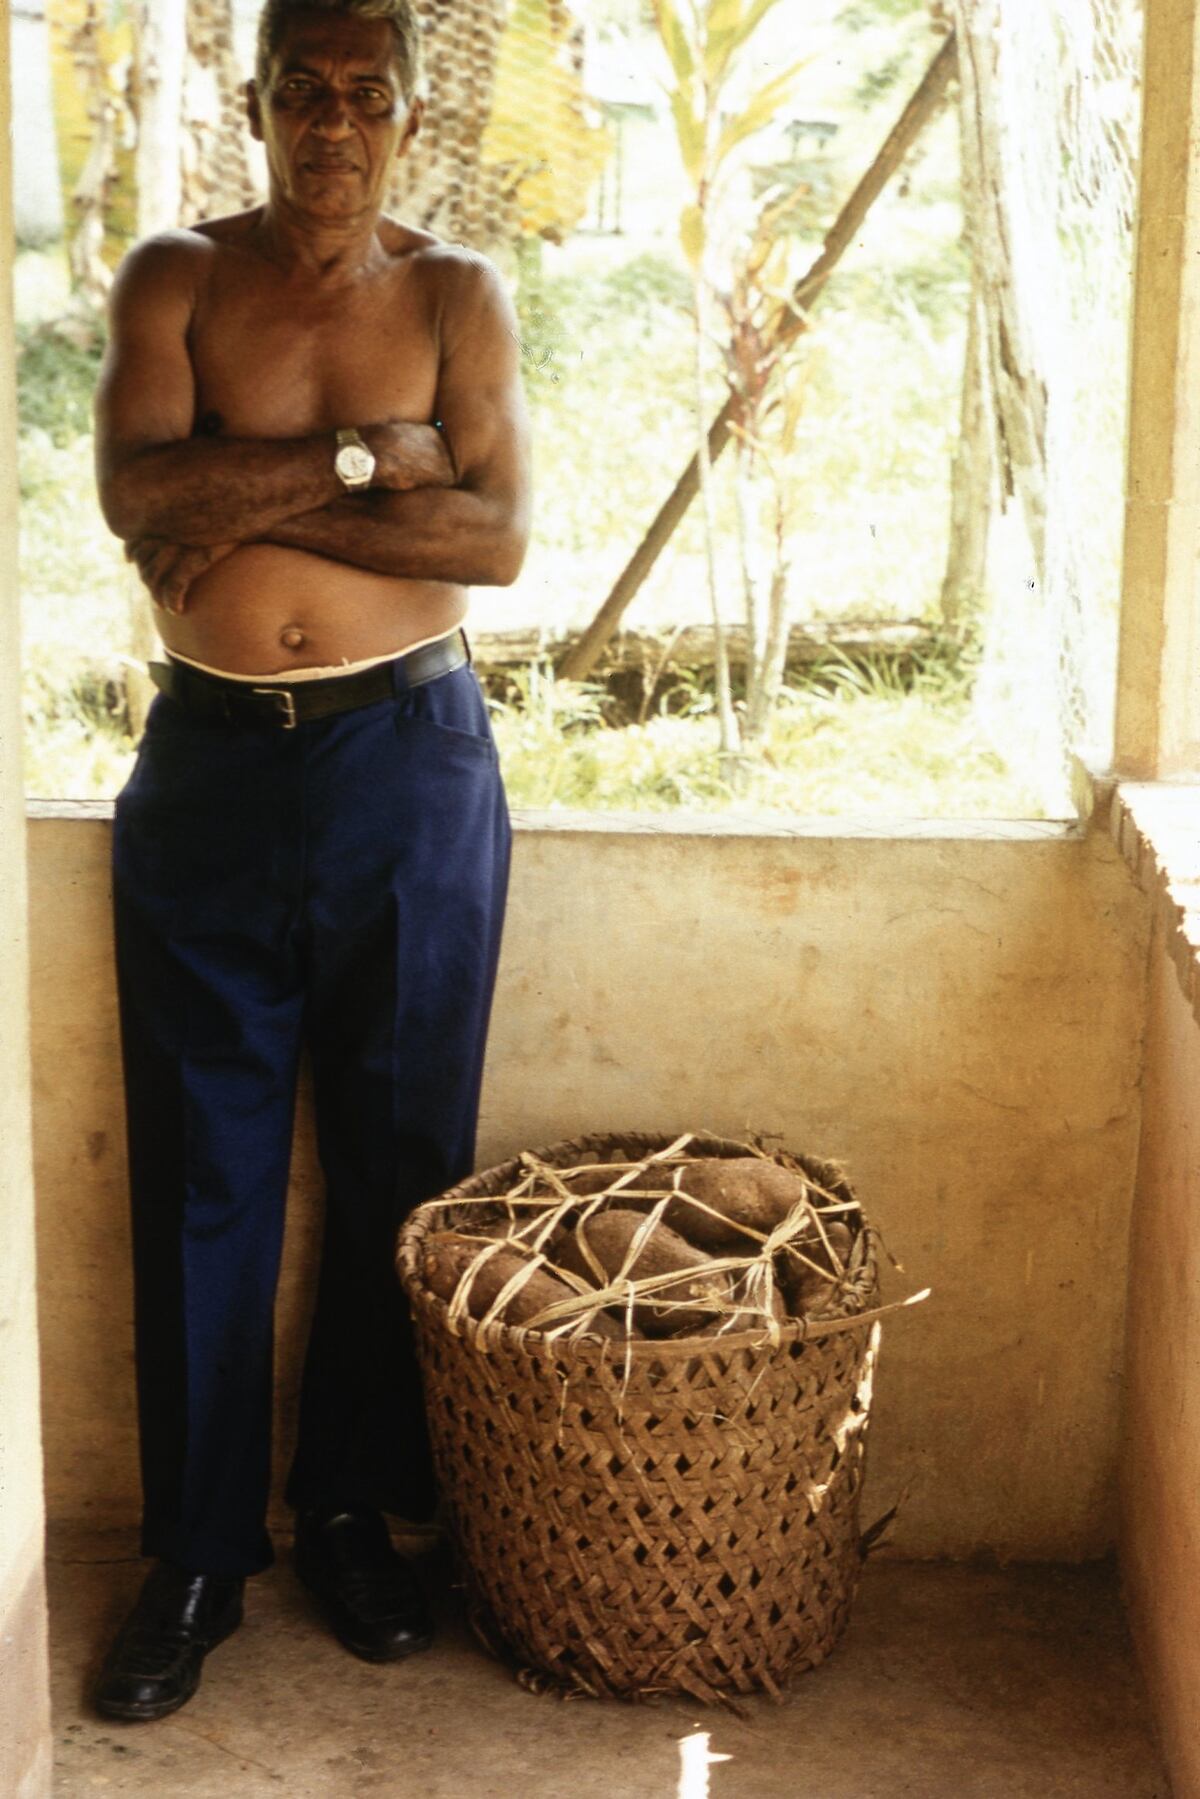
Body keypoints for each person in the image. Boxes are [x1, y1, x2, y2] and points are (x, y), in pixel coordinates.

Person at [90, 0, 531, 1721]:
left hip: (406, 763)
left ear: (409, 119)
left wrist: (237, 490)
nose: (332, 124)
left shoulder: (453, 296)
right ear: (255, 103)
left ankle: (352, 1513)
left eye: (366, 96)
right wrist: (361, 461)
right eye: (302, 92)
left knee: (398, 1154)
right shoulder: (175, 280)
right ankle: (198, 1554)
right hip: (208, 768)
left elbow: (491, 536)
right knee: (203, 1168)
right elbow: (138, 499)